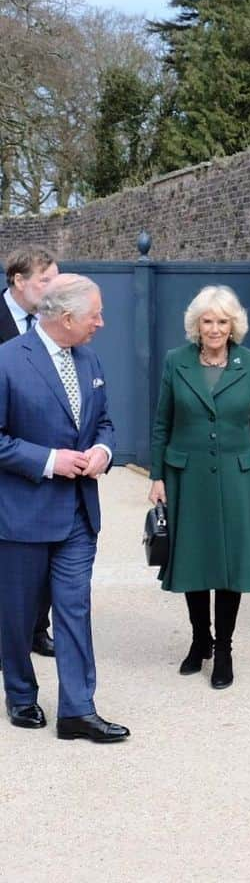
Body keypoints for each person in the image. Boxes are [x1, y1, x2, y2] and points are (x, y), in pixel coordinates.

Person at [0, 273, 127, 742]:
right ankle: (20, 694)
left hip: (78, 515)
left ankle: (77, 709)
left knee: (74, 608)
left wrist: (103, 453)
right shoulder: (7, 361)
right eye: (95, 313)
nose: (101, 322)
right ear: (67, 317)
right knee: (17, 614)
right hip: (22, 516)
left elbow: (106, 423)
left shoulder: (89, 358)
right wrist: (50, 460)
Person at [148, 286, 250, 689]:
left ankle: (223, 649)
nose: (214, 328)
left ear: (233, 325)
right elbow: (162, 423)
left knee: (229, 567)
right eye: (208, 321)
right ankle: (199, 640)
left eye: (222, 321)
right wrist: (156, 476)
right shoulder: (177, 362)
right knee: (195, 561)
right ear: (197, 324)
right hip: (185, 476)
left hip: (237, 476)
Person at [0, 246, 60, 663]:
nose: (53, 289)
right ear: (19, 281)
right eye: (46, 280)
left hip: (44, 458)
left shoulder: (54, 325)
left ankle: (38, 628)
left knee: (45, 546)